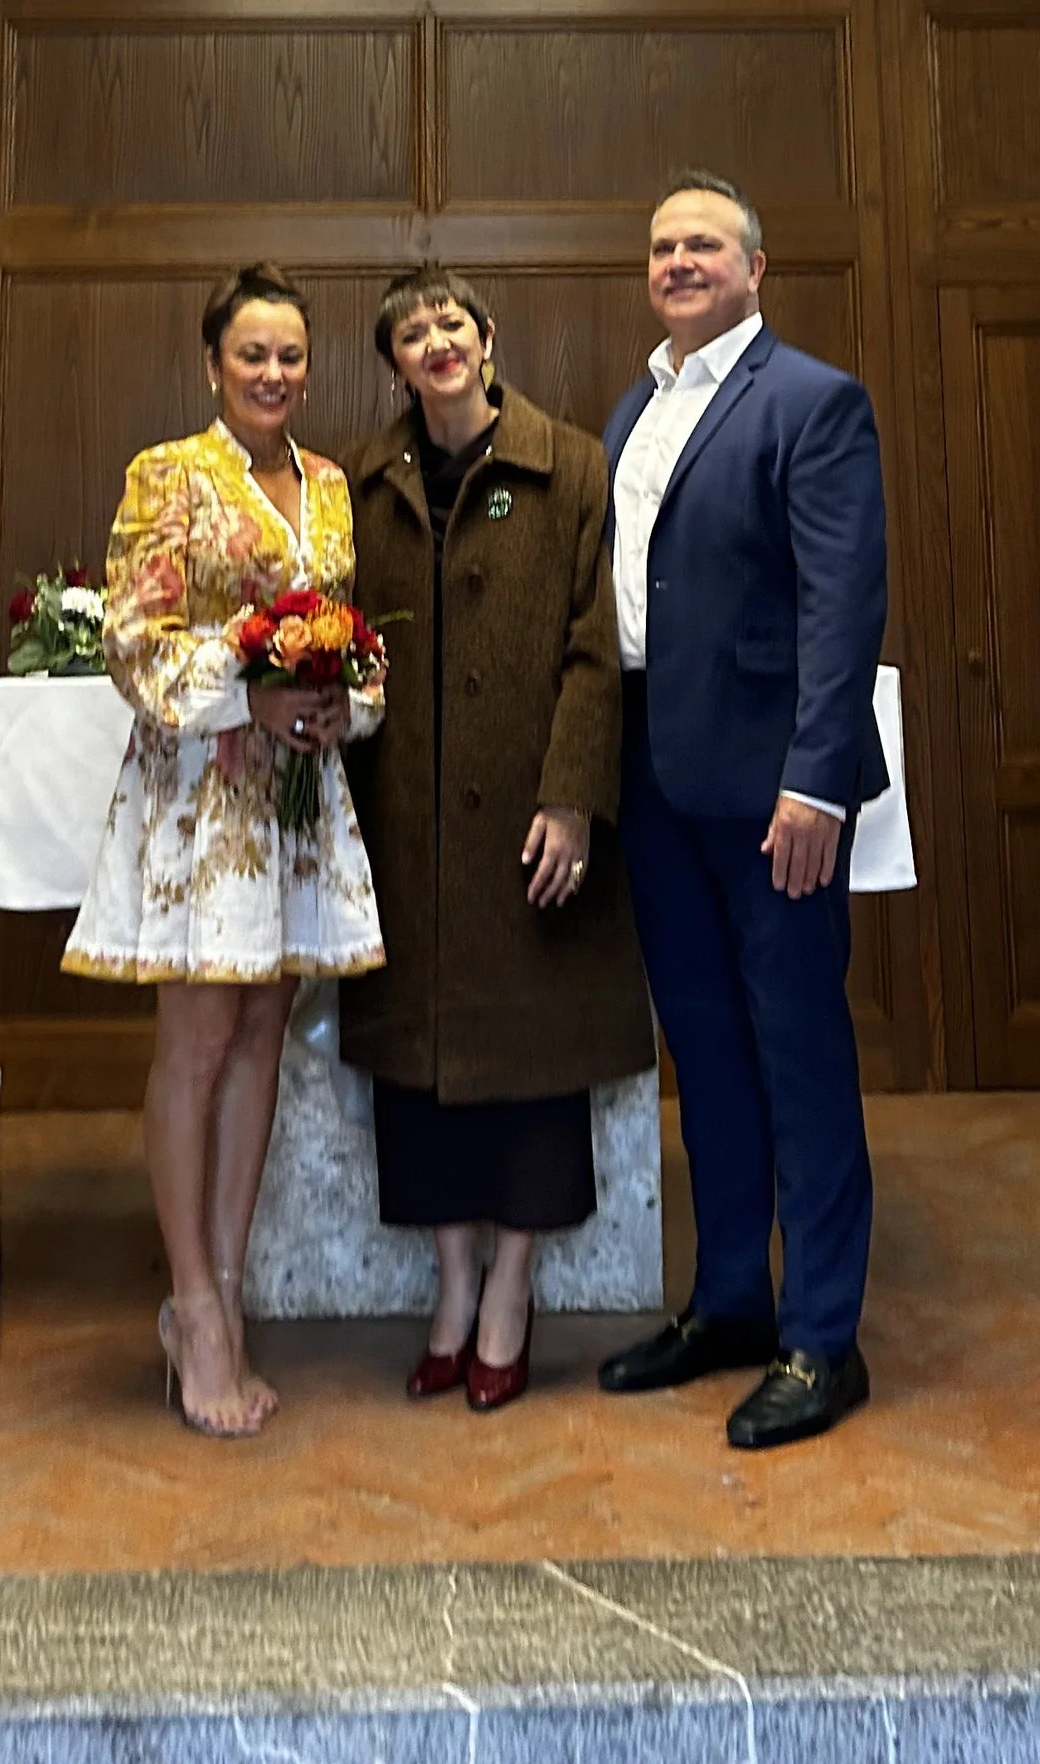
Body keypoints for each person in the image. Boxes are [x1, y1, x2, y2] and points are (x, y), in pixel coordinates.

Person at [64, 264, 384, 1437]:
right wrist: (240, 700)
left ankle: (229, 1291)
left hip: (298, 794)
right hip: (202, 794)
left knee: (262, 1033)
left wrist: (347, 704)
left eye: (291, 355)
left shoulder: (334, 488)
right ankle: (191, 1306)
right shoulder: (170, 473)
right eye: (252, 353)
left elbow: (355, 642)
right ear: (213, 365)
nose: (273, 373)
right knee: (198, 1038)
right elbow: (132, 638)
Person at [597, 171, 889, 1449]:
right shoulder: (634, 408)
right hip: (656, 785)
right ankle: (728, 1301)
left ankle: (823, 1336)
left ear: (755, 267)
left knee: (798, 1053)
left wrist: (816, 778)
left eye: (702, 243)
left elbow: (841, 602)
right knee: (704, 1050)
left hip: (775, 795)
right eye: (661, 246)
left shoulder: (812, 403)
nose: (678, 261)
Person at [342, 267, 650, 1411]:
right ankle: (451, 1288)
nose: (436, 342)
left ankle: (510, 1293)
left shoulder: (570, 464)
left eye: (451, 324)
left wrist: (571, 796)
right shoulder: (365, 480)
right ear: (393, 364)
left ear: (488, 339)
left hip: (531, 820)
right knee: (417, 1072)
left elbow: (593, 647)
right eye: (412, 331)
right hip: (408, 830)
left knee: (532, 1066)